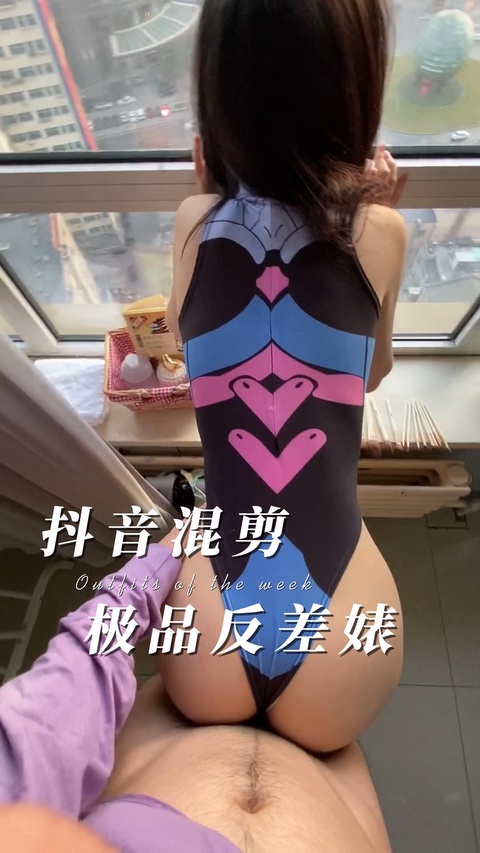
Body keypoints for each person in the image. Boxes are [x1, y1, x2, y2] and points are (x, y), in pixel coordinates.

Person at [162, 0, 406, 752]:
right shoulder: (382, 231)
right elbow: (370, 374)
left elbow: (192, 352)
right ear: (355, 90)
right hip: (345, 631)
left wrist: (214, 196)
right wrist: (367, 208)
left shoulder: (193, 222)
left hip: (206, 629)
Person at [0, 543, 393, 853]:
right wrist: (145, 575)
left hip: (186, 714)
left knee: (278, 495)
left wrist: (150, 571)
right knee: (310, 494)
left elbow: (39, 733)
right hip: (321, 744)